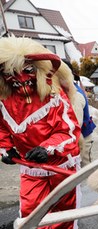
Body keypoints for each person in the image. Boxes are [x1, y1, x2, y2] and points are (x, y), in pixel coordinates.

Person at [0, 37, 81, 229]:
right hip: (30, 167)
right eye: (12, 72)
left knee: (63, 215)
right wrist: (5, 148)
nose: (20, 77)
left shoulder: (54, 96)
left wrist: (47, 148)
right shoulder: (4, 100)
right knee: (31, 214)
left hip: (60, 164)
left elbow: (69, 131)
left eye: (27, 70)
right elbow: (2, 128)